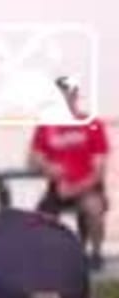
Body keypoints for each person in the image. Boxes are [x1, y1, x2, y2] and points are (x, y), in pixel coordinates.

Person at [28, 76, 108, 270]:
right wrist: (47, 168)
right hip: (58, 187)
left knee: (94, 209)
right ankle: (52, 259)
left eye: (68, 94)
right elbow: (33, 159)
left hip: (87, 185)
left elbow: (99, 169)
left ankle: (95, 255)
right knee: (40, 219)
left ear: (75, 96)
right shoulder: (46, 126)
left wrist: (75, 188)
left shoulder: (92, 124)